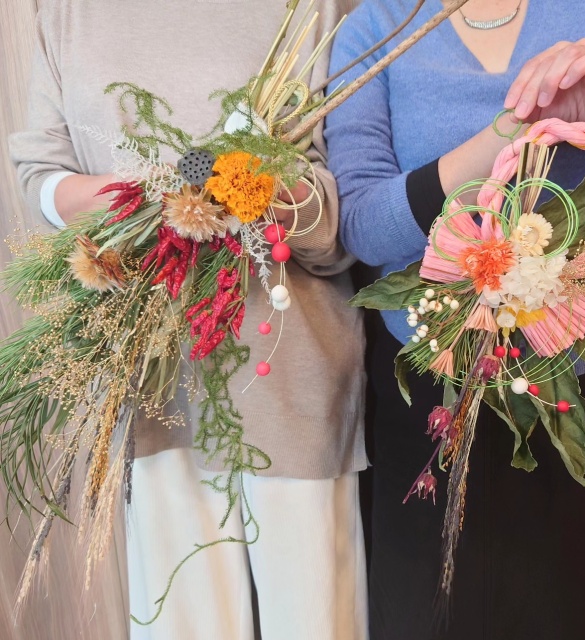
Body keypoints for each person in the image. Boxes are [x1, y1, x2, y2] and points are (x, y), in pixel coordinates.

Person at [325, 0, 585, 639]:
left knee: (578, 613)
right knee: (428, 618)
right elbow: (363, 224)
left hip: (581, 391)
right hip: (428, 399)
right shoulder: (374, 26)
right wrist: (513, 129)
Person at [9, 2, 367, 639]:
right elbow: (39, 179)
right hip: (149, 379)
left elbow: (345, 214)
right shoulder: (65, 15)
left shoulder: (305, 12)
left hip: (287, 376)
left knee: (315, 620)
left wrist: (257, 192)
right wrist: (154, 195)